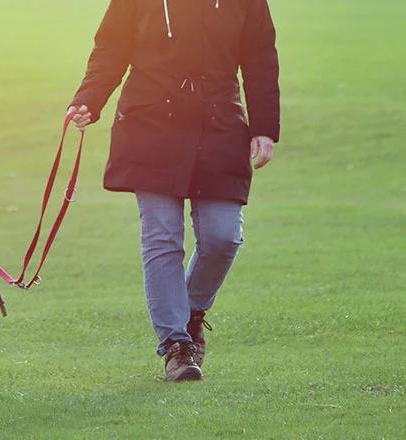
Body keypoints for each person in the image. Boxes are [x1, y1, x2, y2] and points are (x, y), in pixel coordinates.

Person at [68, 0, 280, 381]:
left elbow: (260, 55)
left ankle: (192, 311)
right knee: (162, 234)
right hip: (150, 122)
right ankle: (176, 345)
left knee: (223, 236)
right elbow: (112, 44)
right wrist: (90, 98)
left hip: (219, 123)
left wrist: (264, 126)